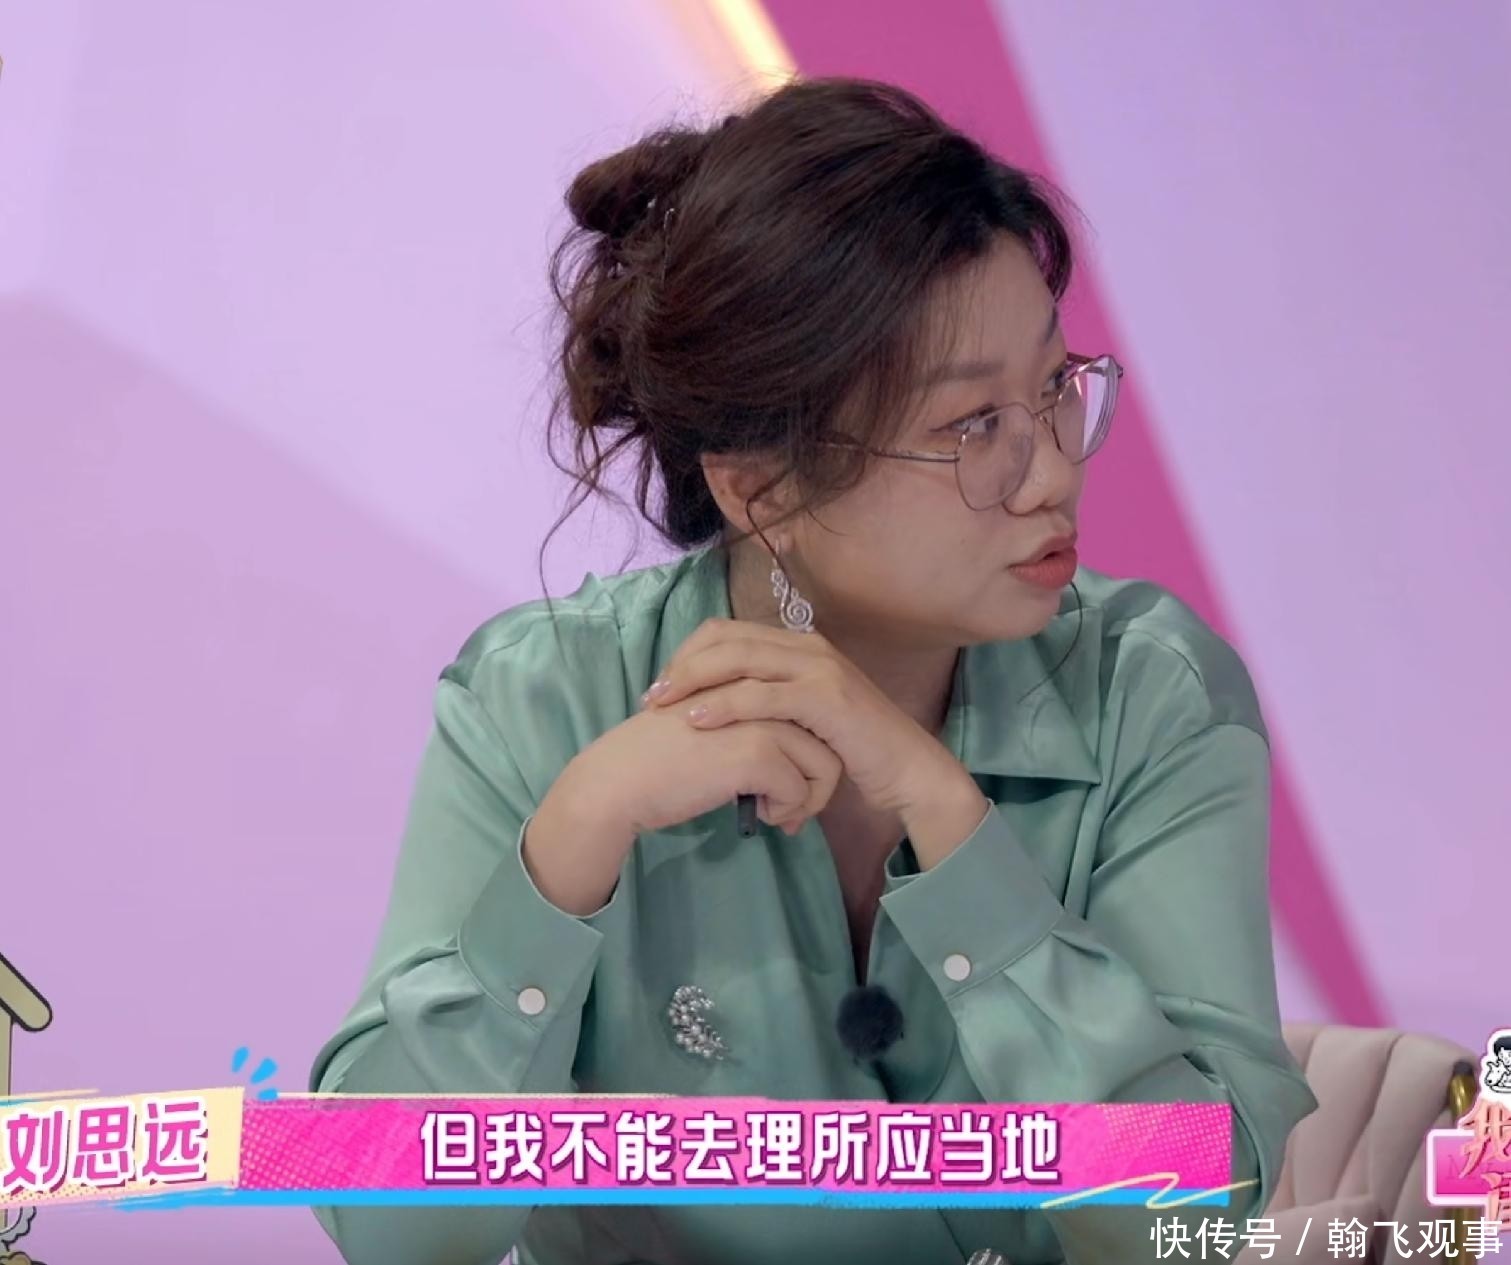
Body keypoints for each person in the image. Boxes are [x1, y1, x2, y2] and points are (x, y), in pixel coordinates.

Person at [309, 75, 1317, 1265]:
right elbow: (388, 1227)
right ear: (760, 488)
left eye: (1053, 389)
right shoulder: (540, 700)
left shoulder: (1147, 695)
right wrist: (570, 845)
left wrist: (948, 823)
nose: (1050, 472)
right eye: (971, 427)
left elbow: (1192, 1223)